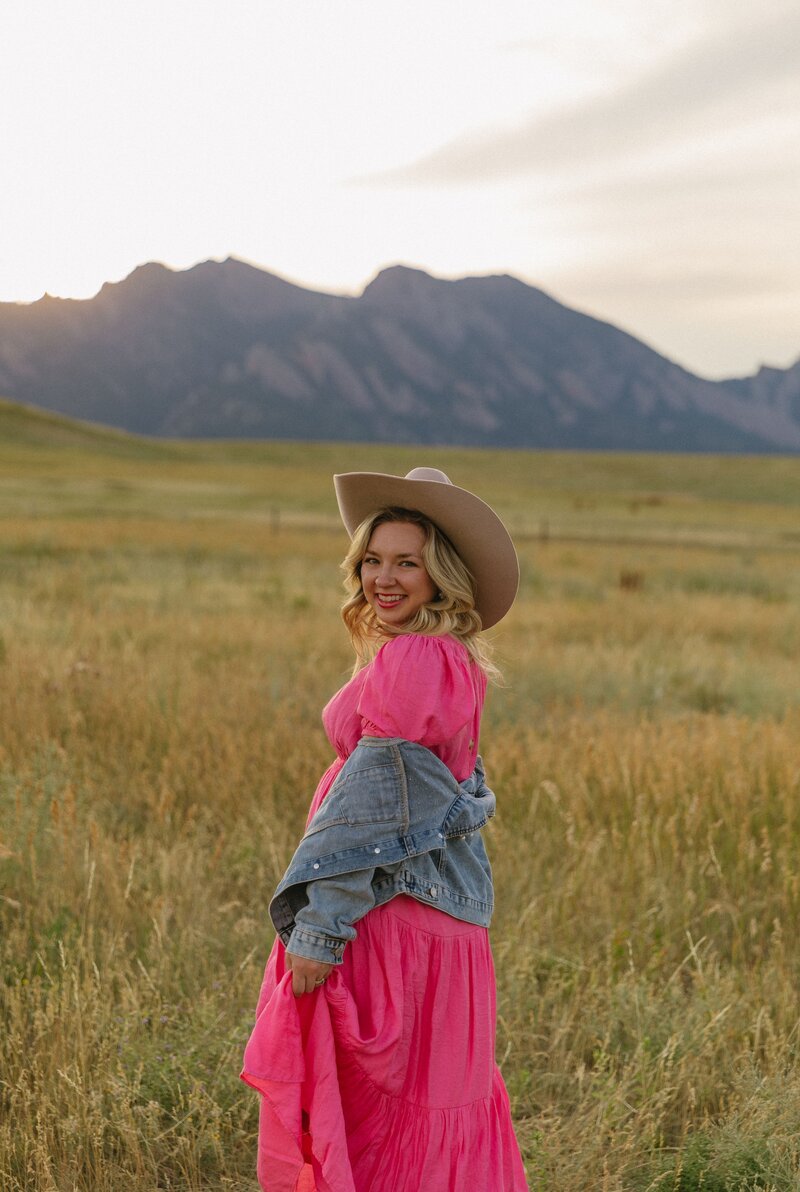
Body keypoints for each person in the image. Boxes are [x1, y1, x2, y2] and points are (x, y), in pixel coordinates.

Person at [241, 467, 528, 1192]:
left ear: (442, 575)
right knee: (413, 1118)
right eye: (374, 559)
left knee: (389, 1125)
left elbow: (372, 810)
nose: (384, 578)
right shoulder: (441, 657)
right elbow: (448, 789)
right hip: (428, 919)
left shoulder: (416, 657)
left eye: (408, 562)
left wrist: (320, 928)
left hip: (395, 915)